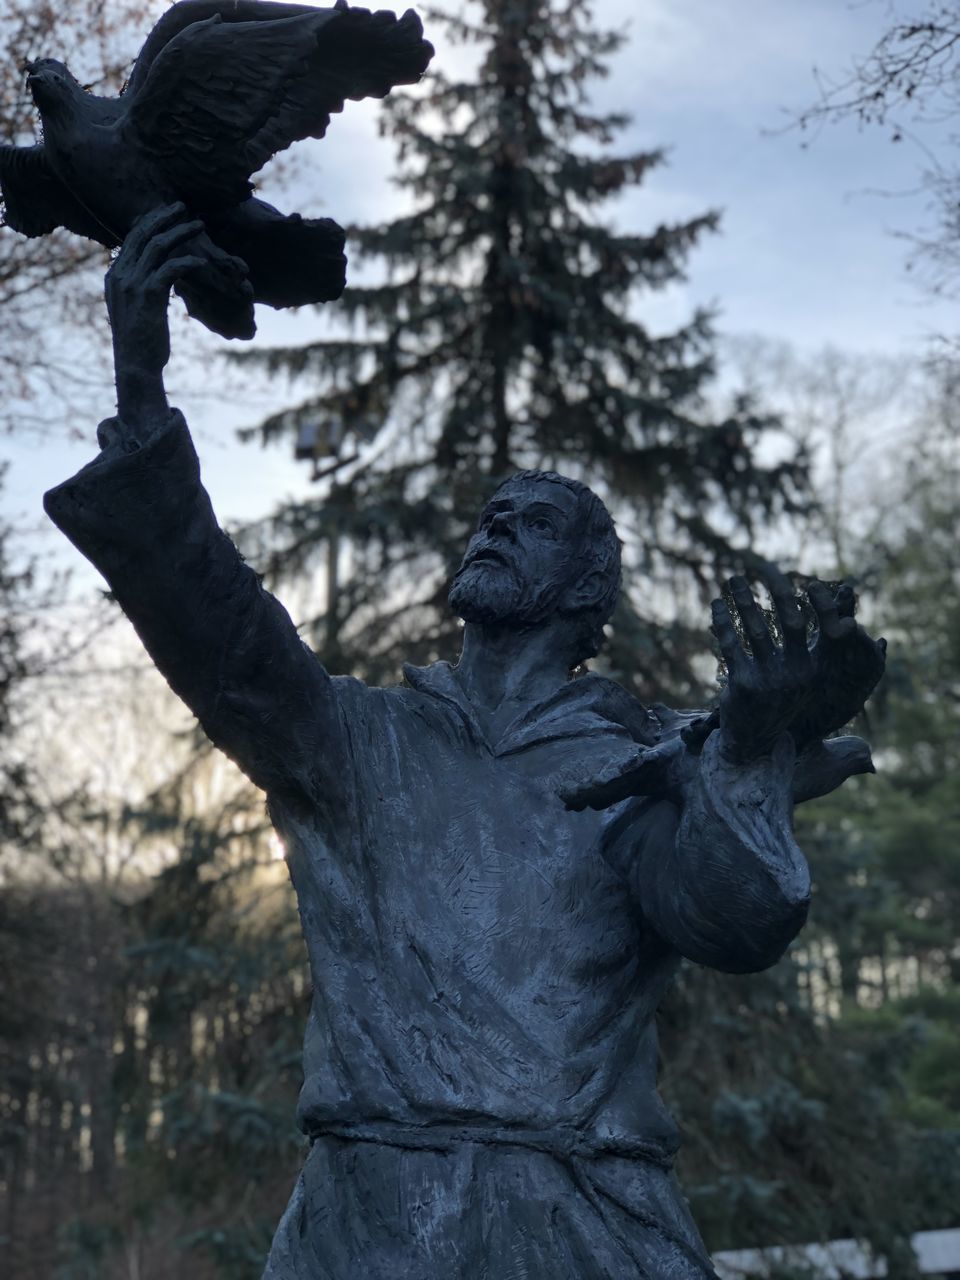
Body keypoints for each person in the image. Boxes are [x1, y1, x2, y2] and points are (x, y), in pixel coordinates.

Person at [45, 206, 886, 1280]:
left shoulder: (646, 756)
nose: (492, 527)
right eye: (491, 514)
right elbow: (221, 632)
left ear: (589, 590)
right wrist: (141, 398)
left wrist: (752, 745)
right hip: (371, 1217)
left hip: (585, 1211)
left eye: (531, 522)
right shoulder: (356, 739)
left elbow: (737, 921)